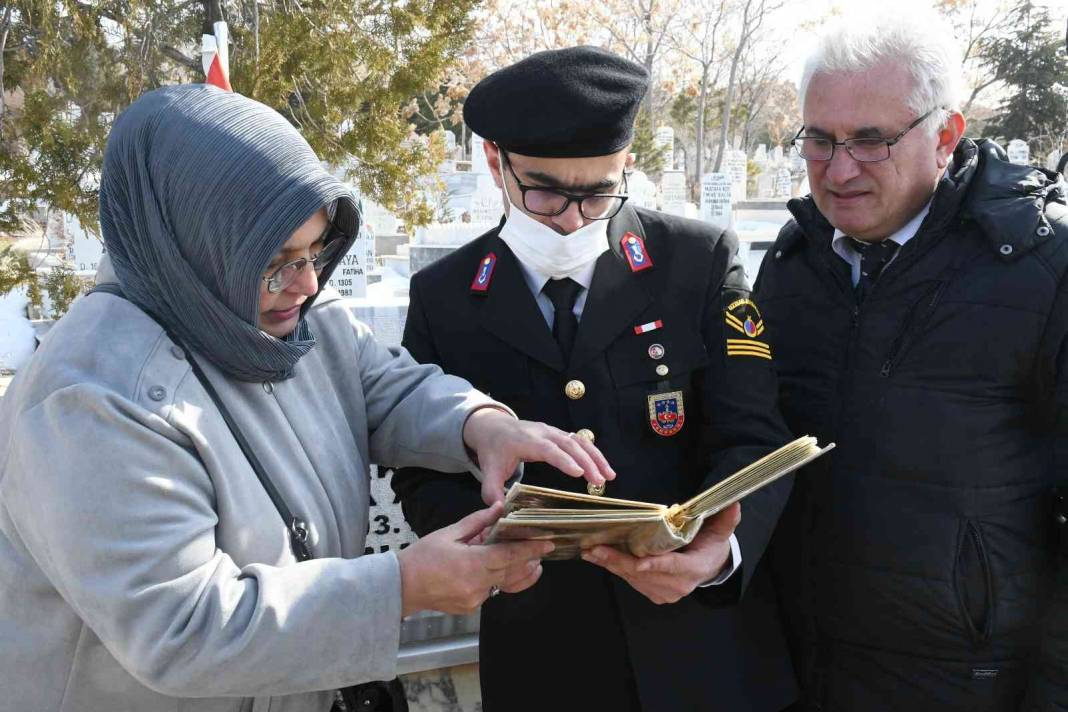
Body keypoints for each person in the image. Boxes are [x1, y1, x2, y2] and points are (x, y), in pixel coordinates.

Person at [0, 84, 615, 712]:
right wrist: (401, 587)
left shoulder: (275, 317)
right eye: (276, 262)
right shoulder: (91, 400)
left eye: (315, 250)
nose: (308, 282)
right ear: (194, 248)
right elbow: (183, 628)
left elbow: (383, 386)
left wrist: (480, 425)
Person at [391, 46, 797, 712]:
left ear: (625, 165)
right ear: (495, 160)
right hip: (544, 656)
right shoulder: (445, 297)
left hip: (701, 652)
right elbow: (421, 463)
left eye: (599, 191)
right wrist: (483, 542)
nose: (574, 218)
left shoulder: (696, 263)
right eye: (546, 191)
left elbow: (754, 435)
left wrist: (720, 555)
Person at [753, 14, 1068, 710]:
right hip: (803, 672)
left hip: (970, 683)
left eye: (871, 140)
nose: (838, 171)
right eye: (818, 139)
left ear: (946, 135)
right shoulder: (794, 261)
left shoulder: (1046, 272)